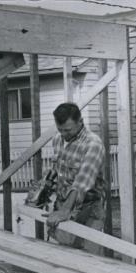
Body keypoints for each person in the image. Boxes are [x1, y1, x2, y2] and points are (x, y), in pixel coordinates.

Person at [35, 102, 108, 259]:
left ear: (80, 122)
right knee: (69, 258)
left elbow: (82, 181)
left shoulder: (92, 144)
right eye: (60, 130)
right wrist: (47, 183)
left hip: (88, 209)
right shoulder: (57, 140)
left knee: (89, 261)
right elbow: (58, 167)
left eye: (67, 130)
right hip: (64, 204)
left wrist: (65, 210)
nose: (64, 134)